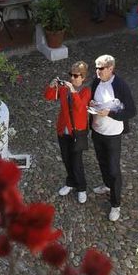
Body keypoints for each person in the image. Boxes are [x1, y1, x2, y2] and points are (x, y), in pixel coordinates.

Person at [89, 54, 136, 222]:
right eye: (96, 67)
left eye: (100, 68)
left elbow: (131, 111)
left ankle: (116, 205)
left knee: (114, 169)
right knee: (101, 161)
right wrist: (92, 104)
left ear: (110, 68)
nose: (97, 71)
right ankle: (106, 185)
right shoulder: (96, 81)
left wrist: (110, 112)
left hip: (113, 133)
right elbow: (92, 99)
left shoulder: (120, 85)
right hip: (97, 130)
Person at [44, 61, 91, 204]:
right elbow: (49, 97)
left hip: (77, 132)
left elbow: (80, 107)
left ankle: (81, 188)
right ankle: (70, 182)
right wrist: (52, 86)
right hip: (63, 130)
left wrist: (73, 91)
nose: (72, 78)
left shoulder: (86, 91)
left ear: (83, 77)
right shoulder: (64, 89)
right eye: (71, 75)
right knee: (66, 158)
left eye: (76, 76)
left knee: (77, 162)